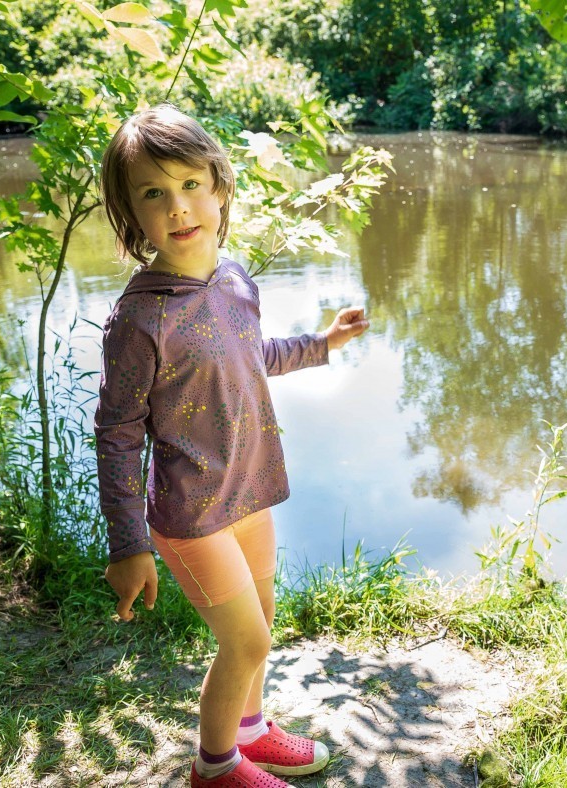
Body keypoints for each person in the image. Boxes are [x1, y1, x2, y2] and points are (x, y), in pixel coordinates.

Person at [93, 104, 369, 788]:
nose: (179, 207)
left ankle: (248, 732)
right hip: (192, 512)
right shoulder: (139, 318)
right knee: (244, 641)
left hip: (250, 489)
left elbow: (249, 355)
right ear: (132, 214)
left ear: (220, 187)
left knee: (262, 625)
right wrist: (128, 545)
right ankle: (214, 771)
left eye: (191, 183)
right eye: (154, 193)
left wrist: (322, 345)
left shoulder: (233, 278)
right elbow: (117, 435)